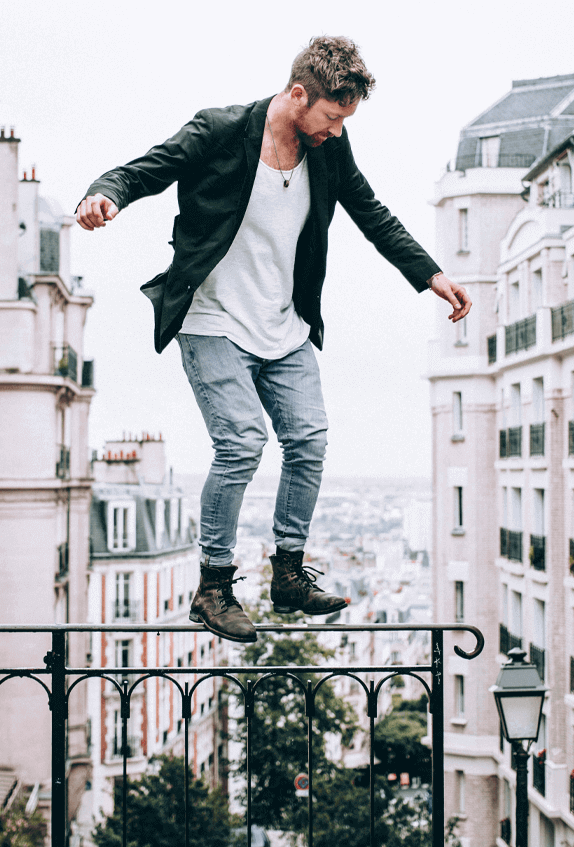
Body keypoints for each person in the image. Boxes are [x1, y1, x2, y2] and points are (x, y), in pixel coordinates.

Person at [77, 36, 471, 643]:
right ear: (297, 95)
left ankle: (287, 573)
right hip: (212, 321)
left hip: (283, 326)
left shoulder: (329, 152)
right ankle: (213, 585)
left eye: (345, 121)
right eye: (332, 117)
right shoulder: (221, 130)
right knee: (241, 442)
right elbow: (144, 169)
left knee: (309, 438)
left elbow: (374, 214)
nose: (337, 131)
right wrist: (104, 196)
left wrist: (432, 275)